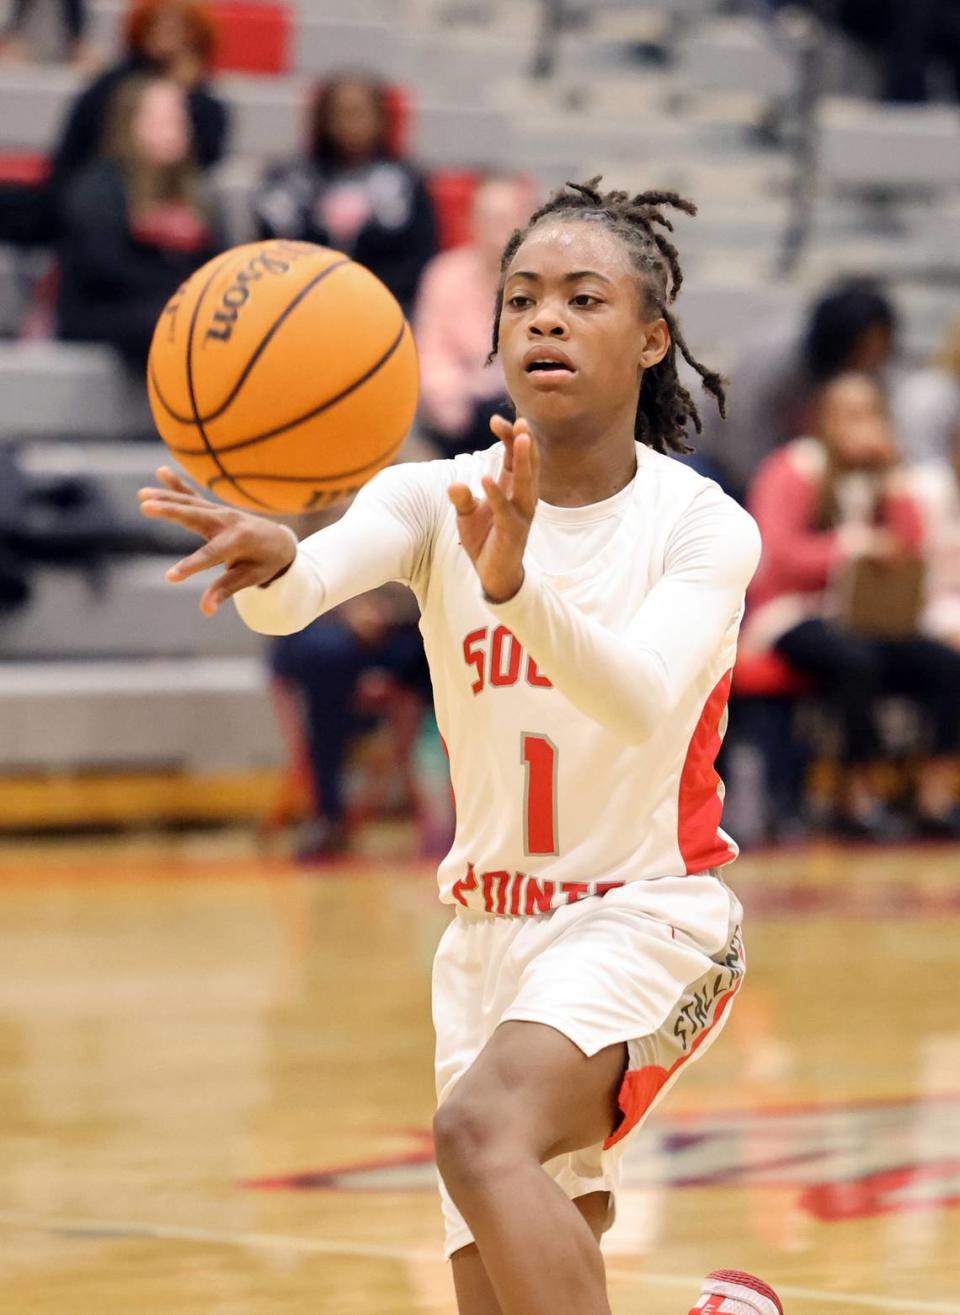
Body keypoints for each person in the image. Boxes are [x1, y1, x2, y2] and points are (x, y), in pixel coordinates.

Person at [139, 178, 781, 1315]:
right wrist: (275, 557)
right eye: (522, 297)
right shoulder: (432, 496)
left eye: (583, 298)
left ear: (651, 337)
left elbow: (635, 700)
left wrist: (515, 587)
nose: (543, 318)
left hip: (651, 912)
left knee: (478, 1130)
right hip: (485, 941)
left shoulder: (701, 526)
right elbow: (298, 598)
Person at [746, 372, 960, 838]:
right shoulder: (793, 468)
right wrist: (852, 546)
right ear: (824, 420)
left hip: (868, 617)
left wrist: (891, 477)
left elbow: (912, 551)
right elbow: (776, 557)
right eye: (849, 415)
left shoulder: (887, 477)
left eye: (870, 415)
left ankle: (933, 793)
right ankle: (856, 794)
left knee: (945, 665)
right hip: (794, 613)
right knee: (852, 661)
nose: (861, 426)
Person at [57, 75, 221, 370]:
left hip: (171, 306)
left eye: (179, 116)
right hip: (102, 311)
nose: (176, 127)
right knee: (170, 323)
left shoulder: (196, 191)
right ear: (130, 123)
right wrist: (182, 292)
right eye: (162, 118)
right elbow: (103, 268)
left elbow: (220, 265)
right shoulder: (99, 186)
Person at [694, 279, 897, 502]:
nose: (872, 357)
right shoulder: (774, 361)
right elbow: (739, 436)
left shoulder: (867, 373)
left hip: (793, 475)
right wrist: (779, 493)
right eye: (866, 347)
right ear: (843, 340)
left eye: (880, 347)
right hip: (719, 462)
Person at [255, 74, 437, 317]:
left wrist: (363, 295)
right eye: (340, 113)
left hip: (382, 309)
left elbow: (420, 260)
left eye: (360, 113)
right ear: (322, 119)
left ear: (381, 119)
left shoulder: (406, 183)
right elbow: (266, 254)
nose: (350, 124)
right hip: (298, 306)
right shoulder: (288, 181)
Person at [415, 174, 535, 457]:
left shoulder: (545, 279)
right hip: (460, 419)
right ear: (470, 221)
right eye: (487, 218)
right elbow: (431, 354)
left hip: (530, 410)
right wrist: (453, 405)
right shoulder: (444, 274)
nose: (497, 230)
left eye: (507, 218)